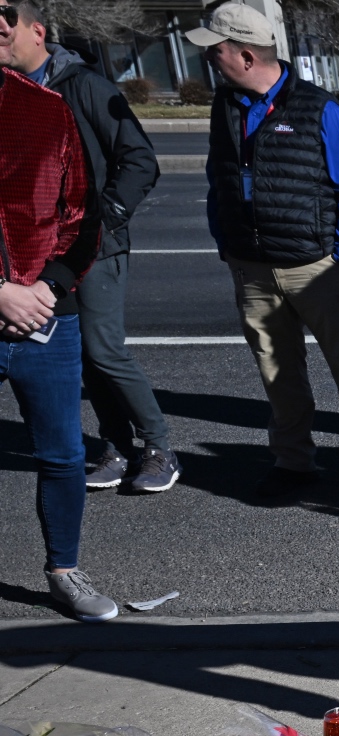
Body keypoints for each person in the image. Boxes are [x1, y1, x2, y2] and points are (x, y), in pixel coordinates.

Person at [190, 2, 339, 503]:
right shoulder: (226, 105)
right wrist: (228, 243)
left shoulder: (319, 109)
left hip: (317, 268)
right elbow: (220, 182)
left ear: (243, 54)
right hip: (253, 267)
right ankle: (293, 462)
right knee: (277, 372)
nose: (209, 59)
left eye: (214, 50)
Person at [3, 3, 176, 495]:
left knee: (104, 349)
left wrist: (104, 220)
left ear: (37, 32)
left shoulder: (82, 85)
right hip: (46, 253)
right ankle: (116, 447)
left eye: (7, 28)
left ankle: (160, 447)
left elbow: (140, 161)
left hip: (94, 245)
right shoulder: (15, 94)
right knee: (81, 352)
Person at [0, 48, 117, 621]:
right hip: (9, 298)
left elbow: (82, 212)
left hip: (46, 313)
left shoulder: (45, 109)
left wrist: (50, 285)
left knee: (64, 455)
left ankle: (64, 571)